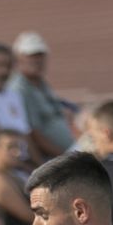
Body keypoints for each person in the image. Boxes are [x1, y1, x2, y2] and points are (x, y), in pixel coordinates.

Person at [7, 32, 74, 164]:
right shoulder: (20, 89)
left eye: (40, 55)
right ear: (18, 58)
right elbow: (33, 133)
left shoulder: (39, 82)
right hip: (53, 157)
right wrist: (66, 157)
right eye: (31, 56)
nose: (37, 60)